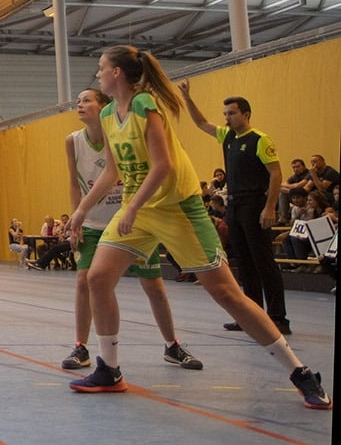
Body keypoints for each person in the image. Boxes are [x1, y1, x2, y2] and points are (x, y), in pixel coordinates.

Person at [66, 46, 328, 409]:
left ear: (118, 75)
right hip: (138, 207)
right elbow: (112, 171)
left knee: (227, 295)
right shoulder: (110, 113)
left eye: (101, 68)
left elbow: (164, 167)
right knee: (97, 277)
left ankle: (301, 372)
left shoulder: (145, 106)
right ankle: (109, 369)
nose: (97, 74)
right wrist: (81, 209)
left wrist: (133, 207)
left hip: (177, 207)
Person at [53, 87, 202, 374]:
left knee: (154, 286)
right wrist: (77, 218)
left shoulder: (120, 132)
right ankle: (81, 347)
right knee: (84, 281)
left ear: (103, 106)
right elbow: (74, 183)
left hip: (130, 221)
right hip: (95, 223)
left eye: (86, 100)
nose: (80, 105)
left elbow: (123, 171)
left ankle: (172, 344)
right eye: (78, 101)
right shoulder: (72, 141)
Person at [179, 85, 291, 335]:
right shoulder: (227, 137)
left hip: (255, 205)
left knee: (264, 262)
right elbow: (201, 123)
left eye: (232, 113)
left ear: (246, 114)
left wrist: (270, 207)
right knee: (244, 263)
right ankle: (251, 317)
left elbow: (276, 174)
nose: (227, 118)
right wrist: (187, 97)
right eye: (225, 114)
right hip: (235, 205)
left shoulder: (260, 140)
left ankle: (278, 318)